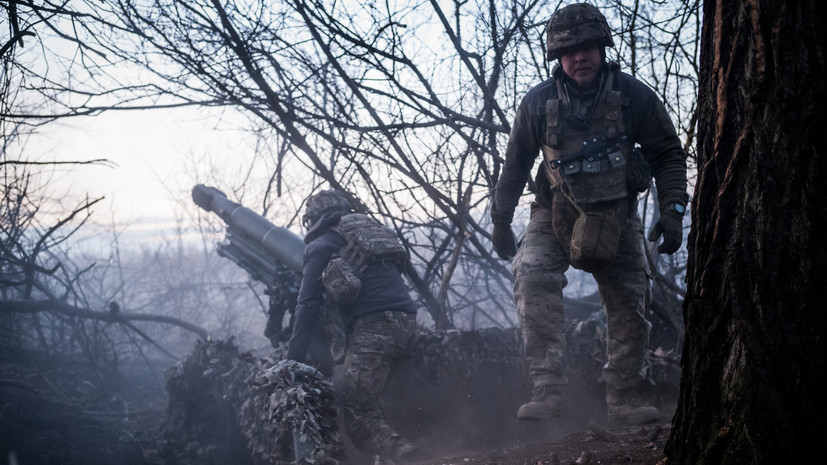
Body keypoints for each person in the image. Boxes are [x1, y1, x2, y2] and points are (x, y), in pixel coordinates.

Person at [490, 3, 689, 425]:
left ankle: (624, 397)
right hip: (553, 212)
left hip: (616, 214)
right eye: (569, 50)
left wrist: (673, 210)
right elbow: (515, 165)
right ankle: (548, 391)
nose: (580, 57)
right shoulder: (538, 103)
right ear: (557, 58)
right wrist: (500, 219)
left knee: (631, 303)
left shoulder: (634, 97)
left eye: (588, 47)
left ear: (602, 48)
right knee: (531, 277)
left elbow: (669, 153)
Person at [287, 190, 428, 462]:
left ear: (313, 219)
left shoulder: (320, 246)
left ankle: (407, 457)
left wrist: (292, 360)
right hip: (408, 325)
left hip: (375, 332)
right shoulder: (370, 238)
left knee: (358, 415)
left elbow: (306, 306)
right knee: (384, 399)